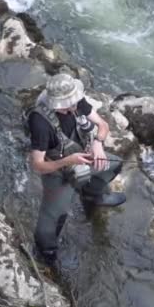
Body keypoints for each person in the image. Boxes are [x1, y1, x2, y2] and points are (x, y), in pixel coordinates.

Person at [27, 73, 126, 265]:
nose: (75, 107)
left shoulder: (77, 100)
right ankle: (46, 254)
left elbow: (102, 124)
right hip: (56, 171)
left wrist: (98, 143)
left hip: (79, 155)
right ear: (57, 104)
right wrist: (67, 161)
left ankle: (91, 195)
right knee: (51, 223)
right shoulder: (40, 122)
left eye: (75, 102)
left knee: (113, 165)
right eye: (69, 105)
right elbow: (37, 165)